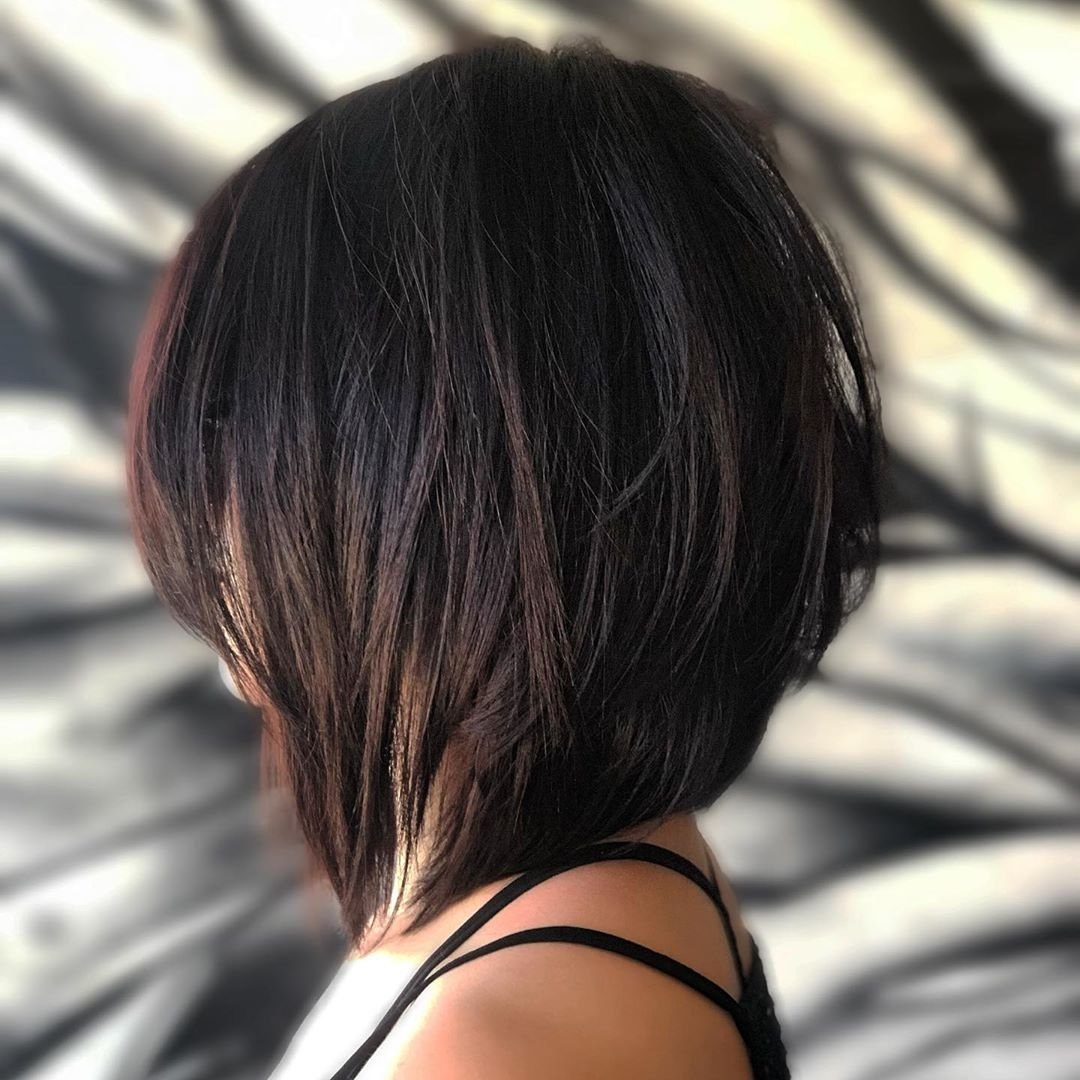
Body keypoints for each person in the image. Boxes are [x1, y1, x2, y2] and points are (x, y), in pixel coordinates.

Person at [126, 33, 883, 1080]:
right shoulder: (580, 887)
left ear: (434, 482)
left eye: (231, 429)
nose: (213, 513)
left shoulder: (506, 1042)